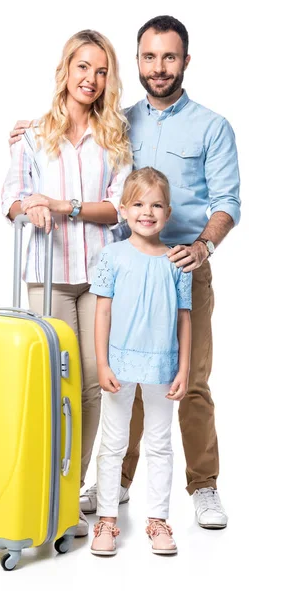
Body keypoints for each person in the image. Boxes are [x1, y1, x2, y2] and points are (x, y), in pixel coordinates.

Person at [8, 15, 241, 529]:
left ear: (185, 61)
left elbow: (227, 203)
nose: (159, 68)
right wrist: (30, 131)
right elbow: (70, 136)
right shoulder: (119, 122)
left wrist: (202, 247)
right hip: (126, 271)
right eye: (150, 57)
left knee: (191, 381)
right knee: (125, 376)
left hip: (183, 266)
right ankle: (117, 484)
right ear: (136, 62)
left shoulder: (211, 126)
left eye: (170, 57)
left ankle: (203, 486)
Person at [1, 30, 132, 538]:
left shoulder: (114, 137)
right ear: (66, 69)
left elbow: (119, 208)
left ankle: (71, 492)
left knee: (96, 384)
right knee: (58, 384)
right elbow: (12, 197)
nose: (91, 80)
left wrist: (62, 205)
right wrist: (30, 206)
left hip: (99, 277)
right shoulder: (33, 136)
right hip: (49, 276)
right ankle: (46, 490)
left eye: (101, 71)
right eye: (83, 67)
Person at [89, 167, 191, 556]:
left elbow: (185, 318)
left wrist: (183, 368)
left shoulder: (176, 261)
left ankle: (158, 519)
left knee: (160, 444)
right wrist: (102, 363)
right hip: (119, 365)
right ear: (124, 209)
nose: (147, 212)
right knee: (113, 442)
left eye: (156, 205)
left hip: (163, 368)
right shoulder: (112, 256)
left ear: (167, 212)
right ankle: (107, 519)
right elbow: (102, 314)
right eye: (138, 204)